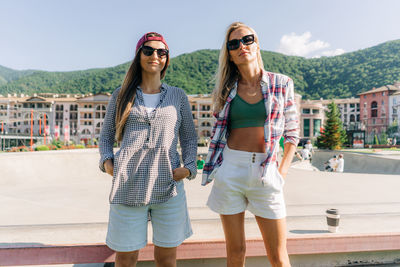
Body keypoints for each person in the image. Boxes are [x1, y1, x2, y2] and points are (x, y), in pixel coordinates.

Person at [202, 22, 299, 267]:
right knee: (235, 253)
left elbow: (292, 133)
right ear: (230, 55)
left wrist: (282, 171)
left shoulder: (282, 83)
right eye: (233, 44)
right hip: (231, 170)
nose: (241, 46)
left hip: (267, 171)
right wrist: (220, 169)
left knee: (278, 256)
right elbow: (218, 133)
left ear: (257, 44)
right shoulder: (225, 91)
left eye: (247, 39)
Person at [99, 32, 197, 267]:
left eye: (161, 52)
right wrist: (107, 163)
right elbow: (105, 138)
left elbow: (190, 139)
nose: (155, 56)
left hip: (169, 188)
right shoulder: (121, 95)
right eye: (148, 50)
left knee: (166, 260)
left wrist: (188, 169)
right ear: (138, 55)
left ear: (166, 58)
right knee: (125, 259)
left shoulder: (177, 96)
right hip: (127, 186)